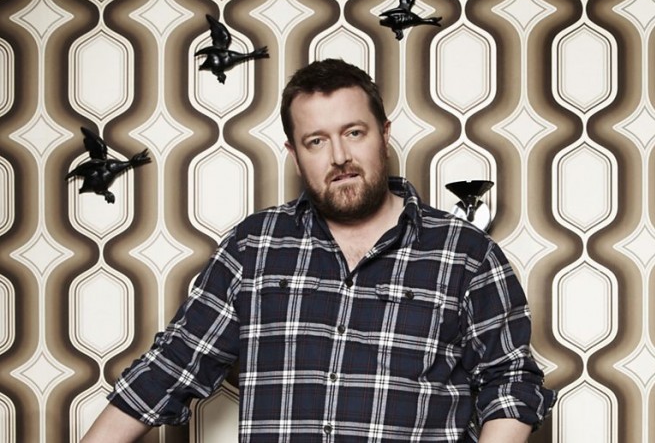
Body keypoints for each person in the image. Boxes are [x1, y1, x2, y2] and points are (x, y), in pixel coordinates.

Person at [82, 59, 556, 442]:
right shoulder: (253, 247)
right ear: (294, 153)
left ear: (384, 134)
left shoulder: (466, 253)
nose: (339, 156)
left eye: (354, 132)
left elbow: (511, 381)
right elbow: (171, 368)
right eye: (316, 141)